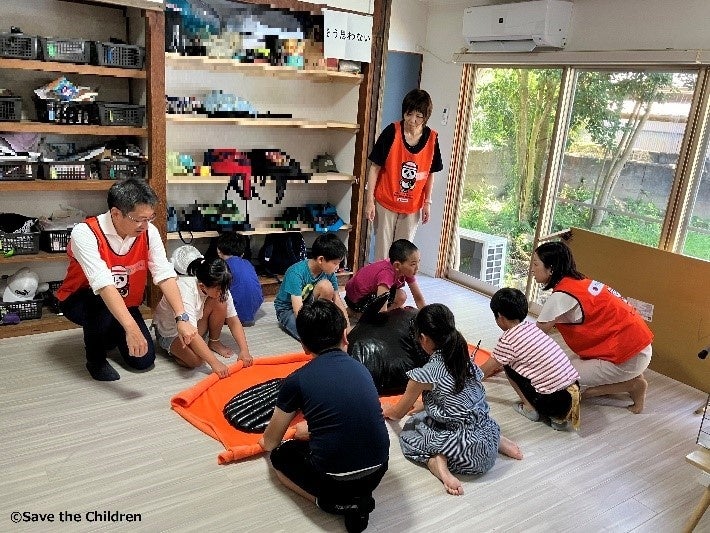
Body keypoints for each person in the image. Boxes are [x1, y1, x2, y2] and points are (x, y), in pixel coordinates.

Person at [258, 299, 389, 533]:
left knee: (279, 458)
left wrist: (270, 440)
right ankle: (356, 502)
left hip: (333, 480)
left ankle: (329, 503)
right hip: (378, 469)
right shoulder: (361, 368)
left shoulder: (297, 380)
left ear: (304, 346)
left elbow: (270, 442)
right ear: (345, 336)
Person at [57, 178, 198, 382]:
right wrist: (131, 329)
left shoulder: (149, 232)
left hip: (125, 301)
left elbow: (164, 274)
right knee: (100, 305)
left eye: (150, 218)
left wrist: (181, 317)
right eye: (139, 219)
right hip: (80, 299)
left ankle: (109, 332)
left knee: (143, 360)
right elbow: (103, 284)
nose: (145, 225)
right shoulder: (85, 233)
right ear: (116, 213)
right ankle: (95, 359)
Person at [383, 303, 522, 496]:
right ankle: (497, 440)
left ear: (424, 338)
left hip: (465, 454)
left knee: (411, 432)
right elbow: (456, 397)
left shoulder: (423, 375)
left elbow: (398, 414)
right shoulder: (465, 359)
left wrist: (387, 409)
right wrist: (425, 405)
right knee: (463, 414)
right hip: (486, 437)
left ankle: (438, 462)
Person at [532, 240, 654, 414]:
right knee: (564, 364)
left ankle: (633, 384)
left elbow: (534, 336)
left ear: (551, 269)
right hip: (636, 348)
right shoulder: (578, 283)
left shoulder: (562, 295)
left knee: (562, 380)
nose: (532, 269)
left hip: (630, 356)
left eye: (536, 264)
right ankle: (628, 376)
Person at [480, 288, 581, 431]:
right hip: (574, 394)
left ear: (500, 316)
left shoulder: (508, 340)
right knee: (515, 363)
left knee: (508, 366)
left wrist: (460, 379)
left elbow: (482, 372)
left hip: (552, 402)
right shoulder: (532, 328)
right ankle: (558, 418)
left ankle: (531, 409)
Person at [365, 89, 443, 261]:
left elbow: (430, 173)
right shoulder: (391, 132)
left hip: (412, 205)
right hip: (386, 201)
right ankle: (382, 280)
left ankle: (397, 280)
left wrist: (427, 202)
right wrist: (370, 201)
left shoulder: (432, 138)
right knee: (383, 253)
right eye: (409, 114)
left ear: (426, 117)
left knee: (404, 256)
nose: (412, 120)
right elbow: (374, 168)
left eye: (419, 116)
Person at [152, 246, 252, 378]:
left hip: (195, 323)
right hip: (171, 331)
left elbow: (233, 320)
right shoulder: (185, 290)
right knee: (197, 361)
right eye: (218, 290)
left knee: (221, 301)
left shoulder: (220, 286)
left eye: (225, 288)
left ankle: (214, 342)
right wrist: (215, 363)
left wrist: (244, 351)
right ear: (202, 286)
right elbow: (190, 332)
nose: (223, 292)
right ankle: (173, 351)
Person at [273, 232, 350, 341]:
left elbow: (337, 299)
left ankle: (320, 321)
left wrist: (346, 328)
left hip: (308, 305)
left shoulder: (328, 271)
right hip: (289, 309)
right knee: (315, 339)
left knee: (326, 286)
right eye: (335, 263)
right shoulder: (295, 272)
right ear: (321, 259)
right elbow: (298, 311)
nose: (338, 267)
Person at [344, 238, 425, 315]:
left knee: (400, 301)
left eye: (418, 262)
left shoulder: (406, 270)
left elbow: (418, 297)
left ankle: (356, 312)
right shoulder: (386, 274)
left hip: (365, 294)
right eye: (413, 264)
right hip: (356, 301)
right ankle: (359, 314)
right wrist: (383, 319)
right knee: (400, 297)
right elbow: (382, 306)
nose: (417, 268)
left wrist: (426, 315)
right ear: (397, 265)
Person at [215, 232, 263, 327]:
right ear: (242, 253)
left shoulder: (222, 266)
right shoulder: (248, 263)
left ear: (219, 251)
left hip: (234, 315)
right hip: (253, 310)